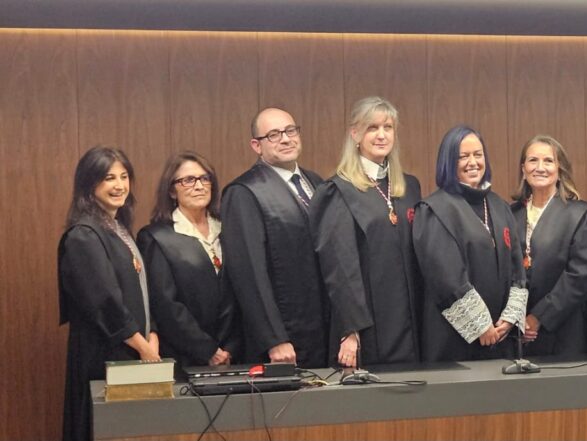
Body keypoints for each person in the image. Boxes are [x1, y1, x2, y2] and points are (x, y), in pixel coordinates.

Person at [310, 97, 422, 367]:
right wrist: (351, 329)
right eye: (372, 127)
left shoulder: (409, 187)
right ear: (355, 134)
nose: (382, 135)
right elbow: (340, 268)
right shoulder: (338, 191)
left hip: (410, 323)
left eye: (388, 127)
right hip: (367, 325)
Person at [58, 146, 159, 441]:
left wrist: (153, 334)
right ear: (89, 184)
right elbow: (105, 302)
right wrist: (143, 347)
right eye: (108, 178)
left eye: (124, 176)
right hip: (105, 354)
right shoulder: (83, 235)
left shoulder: (118, 228)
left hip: (135, 350)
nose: (119, 185)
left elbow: (140, 290)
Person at [221, 107, 328, 367]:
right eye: (274, 135)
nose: (286, 139)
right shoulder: (244, 191)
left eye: (290, 131)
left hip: (323, 326)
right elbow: (248, 273)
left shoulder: (316, 183)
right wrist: (274, 338)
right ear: (256, 145)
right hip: (284, 336)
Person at [413, 125, 528, 362]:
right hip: (453, 342)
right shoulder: (434, 210)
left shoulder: (499, 206)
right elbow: (446, 277)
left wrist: (509, 319)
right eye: (463, 156)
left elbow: (518, 270)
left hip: (501, 338)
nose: (473, 162)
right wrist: (480, 325)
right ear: (448, 162)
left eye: (478, 154)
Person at [137, 152, 241, 371]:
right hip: (186, 358)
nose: (199, 186)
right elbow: (166, 305)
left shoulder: (229, 229)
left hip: (236, 354)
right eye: (188, 180)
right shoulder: (157, 237)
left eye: (205, 178)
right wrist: (208, 350)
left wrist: (230, 347)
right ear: (172, 190)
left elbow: (243, 291)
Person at [510, 135, 587, 356]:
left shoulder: (581, 214)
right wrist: (514, 319)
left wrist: (538, 317)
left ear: (560, 170)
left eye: (548, 161)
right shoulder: (510, 214)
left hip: (563, 329)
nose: (540, 167)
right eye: (533, 160)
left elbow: (580, 275)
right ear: (523, 169)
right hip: (514, 333)